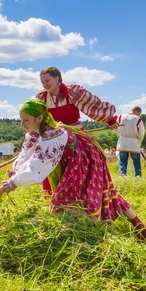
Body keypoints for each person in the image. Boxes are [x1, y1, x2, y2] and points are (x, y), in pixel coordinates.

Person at [0, 99, 146, 241]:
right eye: (21, 120)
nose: (22, 124)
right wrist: (16, 171)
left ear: (39, 118)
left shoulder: (52, 136)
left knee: (71, 201)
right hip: (72, 160)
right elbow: (26, 155)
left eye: (26, 120)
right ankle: (140, 227)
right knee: (98, 193)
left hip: (85, 159)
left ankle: (92, 236)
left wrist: (6, 187)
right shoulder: (34, 133)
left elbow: (36, 167)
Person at [36, 67, 118, 195]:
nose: (45, 85)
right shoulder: (42, 97)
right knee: (49, 163)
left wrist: (110, 119)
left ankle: (83, 194)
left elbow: (93, 104)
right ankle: (54, 196)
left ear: (57, 78)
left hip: (75, 133)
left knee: (90, 158)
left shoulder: (72, 92)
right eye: (43, 83)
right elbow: (37, 118)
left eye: (47, 81)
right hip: (54, 136)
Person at [115, 106, 145, 177]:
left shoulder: (121, 116)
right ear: (136, 111)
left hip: (122, 142)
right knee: (137, 162)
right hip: (133, 143)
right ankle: (138, 177)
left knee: (123, 162)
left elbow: (115, 128)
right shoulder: (138, 119)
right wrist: (139, 142)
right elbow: (141, 133)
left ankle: (123, 177)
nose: (139, 115)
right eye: (139, 113)